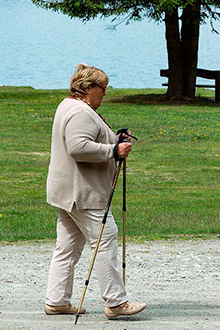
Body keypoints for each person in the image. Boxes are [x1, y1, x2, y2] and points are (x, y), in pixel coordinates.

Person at [45, 64, 146, 318]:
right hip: (83, 193)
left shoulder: (70, 105)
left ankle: (57, 301)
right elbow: (78, 147)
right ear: (88, 88)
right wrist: (113, 151)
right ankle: (116, 303)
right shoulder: (80, 112)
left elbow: (89, 138)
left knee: (67, 247)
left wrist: (115, 137)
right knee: (105, 239)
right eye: (103, 88)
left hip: (69, 192)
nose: (105, 94)